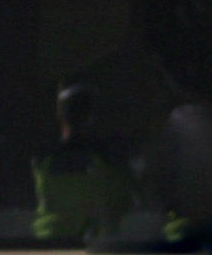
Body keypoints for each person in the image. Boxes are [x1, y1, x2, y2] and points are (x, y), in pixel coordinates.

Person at [31, 83, 141, 245]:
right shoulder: (113, 163)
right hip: (103, 251)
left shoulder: (42, 162)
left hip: (54, 248)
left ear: (62, 123)